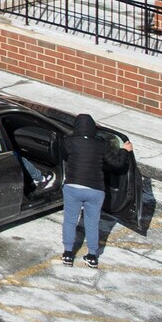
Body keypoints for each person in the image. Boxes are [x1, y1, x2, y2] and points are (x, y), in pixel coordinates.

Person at [58, 112, 129, 268]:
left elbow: (62, 154)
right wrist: (125, 150)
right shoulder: (101, 145)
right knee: (92, 222)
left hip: (73, 187)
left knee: (70, 220)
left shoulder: (69, 142)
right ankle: (92, 256)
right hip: (95, 190)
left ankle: (68, 254)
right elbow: (117, 163)